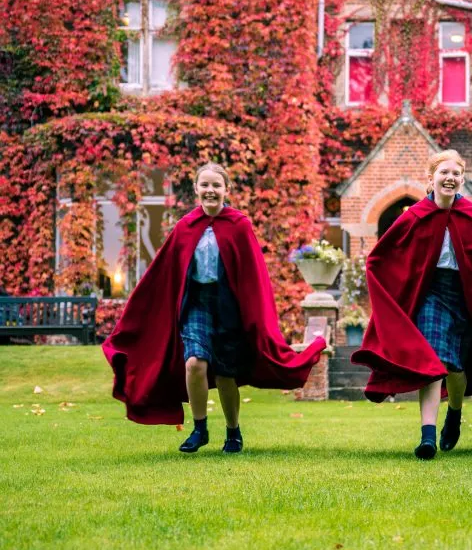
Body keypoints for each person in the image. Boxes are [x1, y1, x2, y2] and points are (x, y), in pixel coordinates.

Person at [102, 163, 326, 453]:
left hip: (229, 305)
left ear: (226, 190)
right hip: (196, 303)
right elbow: (163, 273)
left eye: (216, 185)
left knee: (224, 373)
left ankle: (233, 432)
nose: (210, 190)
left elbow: (252, 276)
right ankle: (200, 428)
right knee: (195, 362)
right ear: (196, 189)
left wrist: (256, 316)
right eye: (204, 185)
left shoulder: (239, 225)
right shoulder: (185, 227)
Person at [353, 150, 472, 459]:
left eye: (455, 174)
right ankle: (427, 436)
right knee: (434, 361)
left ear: (461, 180)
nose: (450, 178)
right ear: (431, 178)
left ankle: (455, 412)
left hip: (465, 295)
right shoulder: (414, 215)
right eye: (444, 172)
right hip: (430, 293)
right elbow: (382, 257)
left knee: (455, 368)